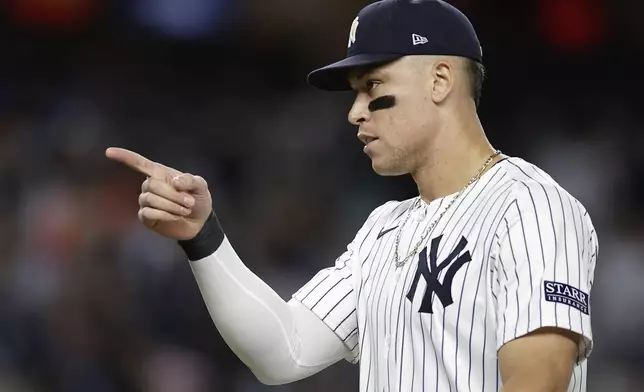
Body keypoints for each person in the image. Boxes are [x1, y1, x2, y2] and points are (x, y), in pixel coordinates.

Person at [105, 0, 598, 391]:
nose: (355, 112)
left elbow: (539, 378)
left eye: (373, 85)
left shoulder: (530, 205)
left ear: (440, 79)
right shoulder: (383, 230)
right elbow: (285, 351)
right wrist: (202, 236)